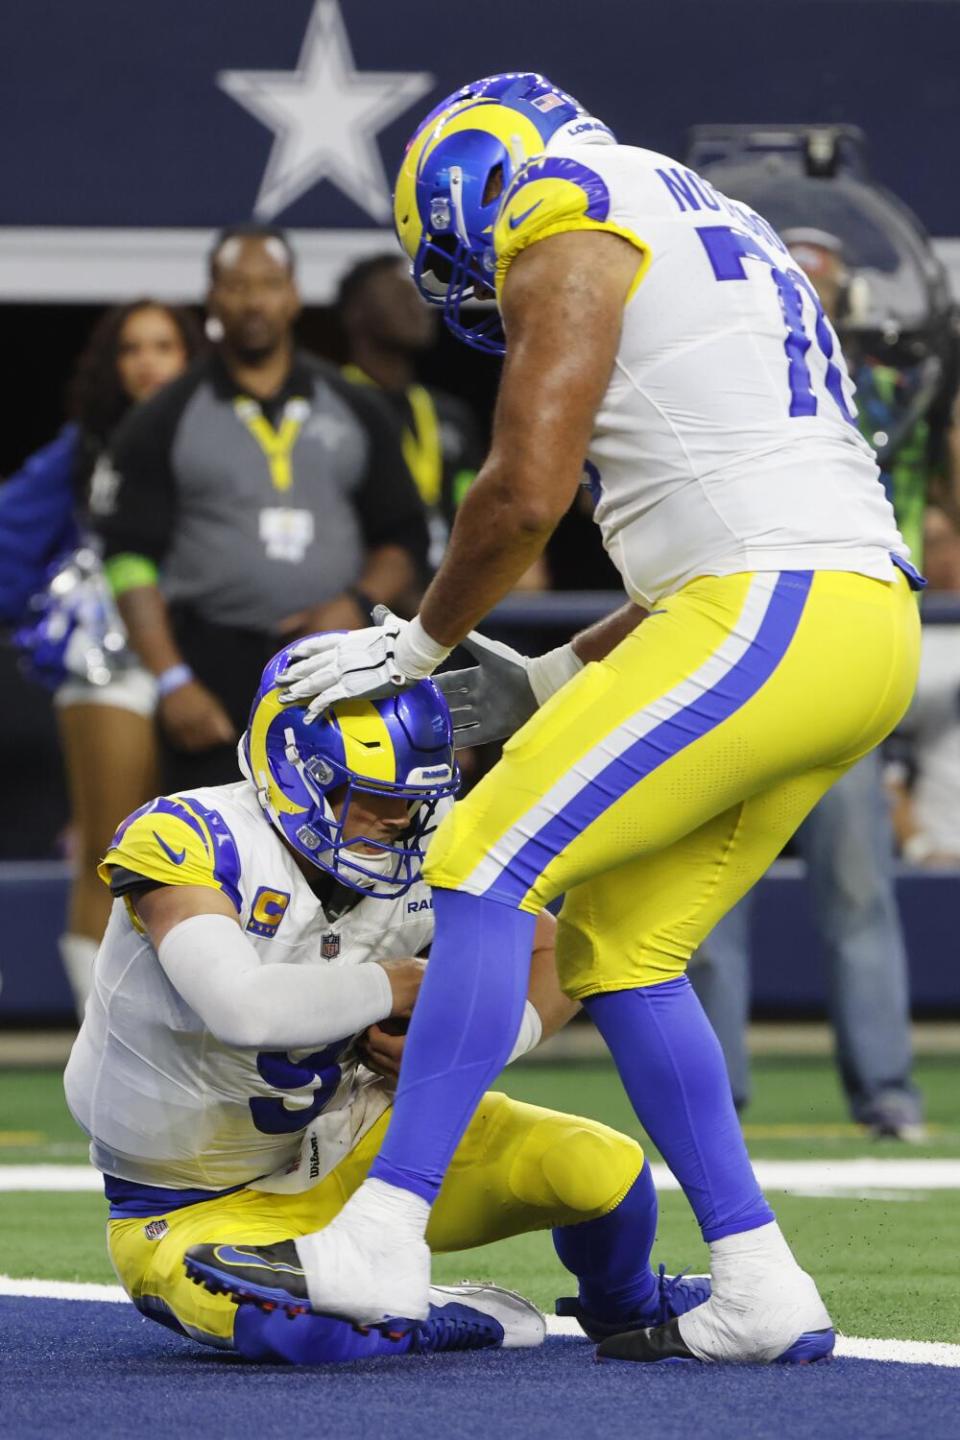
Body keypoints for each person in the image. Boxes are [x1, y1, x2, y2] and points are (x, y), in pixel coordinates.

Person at [199, 72, 921, 1366]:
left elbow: (525, 487)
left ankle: (382, 1233)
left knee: (484, 858)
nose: (485, 294)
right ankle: (763, 1279)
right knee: (623, 950)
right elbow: (719, 516)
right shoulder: (720, 224)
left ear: (479, 186)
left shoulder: (568, 204)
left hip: (766, 607)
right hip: (851, 621)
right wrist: (546, 675)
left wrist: (413, 638)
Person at [62, 649, 708, 1364]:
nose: (400, 820)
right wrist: (400, 984)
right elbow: (240, 1009)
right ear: (297, 770)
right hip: (188, 1206)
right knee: (312, 1336)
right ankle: (449, 1313)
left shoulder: (421, 839)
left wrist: (478, 1045)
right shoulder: (188, 838)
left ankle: (630, 1311)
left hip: (362, 1144)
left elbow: (556, 953)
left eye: (414, 800)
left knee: (603, 1171)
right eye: (374, 795)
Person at [690, 229, 926, 1136]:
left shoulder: (885, 392)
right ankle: (715, 1103)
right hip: (736, 648)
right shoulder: (718, 379)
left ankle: (888, 1091)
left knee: (858, 886)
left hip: (833, 649)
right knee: (707, 894)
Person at [91, 224, 430, 794]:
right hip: (211, 669)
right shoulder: (163, 416)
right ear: (213, 297)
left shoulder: (356, 407)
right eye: (237, 286)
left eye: (269, 284)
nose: (253, 301)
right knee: (214, 857)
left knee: (344, 849)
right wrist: (173, 681)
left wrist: (358, 600)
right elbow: (127, 559)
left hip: (334, 665)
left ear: (294, 294)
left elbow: (405, 538)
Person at [0, 301, 201, 1014]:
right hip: (106, 654)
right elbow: (10, 536)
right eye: (131, 349)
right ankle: (105, 1037)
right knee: (110, 850)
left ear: (189, 355)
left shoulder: (222, 431)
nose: (148, 361)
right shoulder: (81, 448)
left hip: (210, 651)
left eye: (163, 344)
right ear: (109, 367)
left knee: (203, 850)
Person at [337, 253, 484, 572]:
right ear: (356, 313)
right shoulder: (334, 407)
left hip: (453, 594)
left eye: (419, 293)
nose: (418, 306)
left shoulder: (451, 414)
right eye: (399, 293)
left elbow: (479, 508)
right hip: (370, 594)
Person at [887, 506, 960, 866]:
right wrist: (921, 850)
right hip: (944, 851)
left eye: (951, 542)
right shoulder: (910, 641)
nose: (945, 555)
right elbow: (888, 771)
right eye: (931, 543)